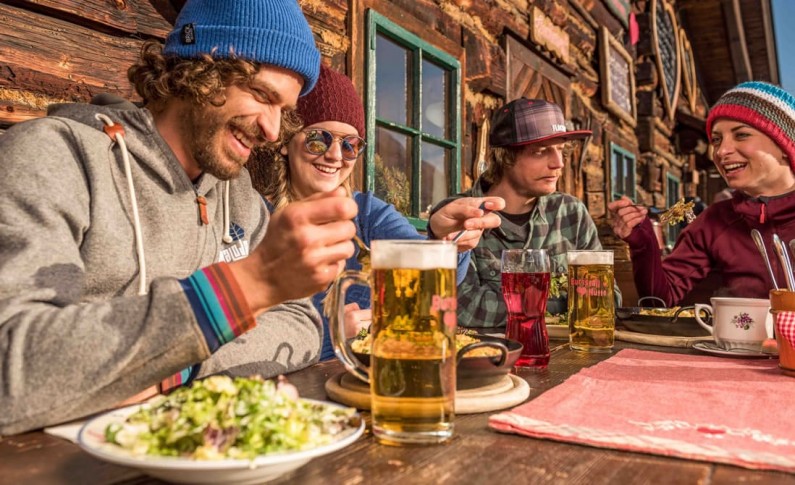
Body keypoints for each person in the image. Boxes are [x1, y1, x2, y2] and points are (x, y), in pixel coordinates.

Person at [0, 0, 359, 435]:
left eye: (283, 110)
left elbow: (300, 323)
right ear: (200, 69)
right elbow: (12, 369)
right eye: (262, 95)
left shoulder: (239, 195)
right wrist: (246, 289)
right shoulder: (56, 157)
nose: (271, 129)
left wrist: (174, 368)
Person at [250, 64, 504, 359]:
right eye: (318, 139)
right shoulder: (253, 217)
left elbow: (428, 278)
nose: (334, 155)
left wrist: (444, 239)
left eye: (349, 145)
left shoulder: (367, 214)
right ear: (286, 142)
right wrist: (327, 337)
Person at [608, 81, 795, 305]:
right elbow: (659, 300)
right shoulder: (715, 221)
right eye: (716, 139)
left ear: (785, 145)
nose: (721, 151)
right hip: (741, 341)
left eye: (742, 135)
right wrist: (643, 241)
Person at [431, 98, 613, 328]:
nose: (558, 164)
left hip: (568, 355)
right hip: (492, 357)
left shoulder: (571, 212)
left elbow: (605, 298)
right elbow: (466, 309)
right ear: (505, 156)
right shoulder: (459, 214)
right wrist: (562, 303)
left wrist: (516, 303)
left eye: (560, 150)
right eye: (541, 151)